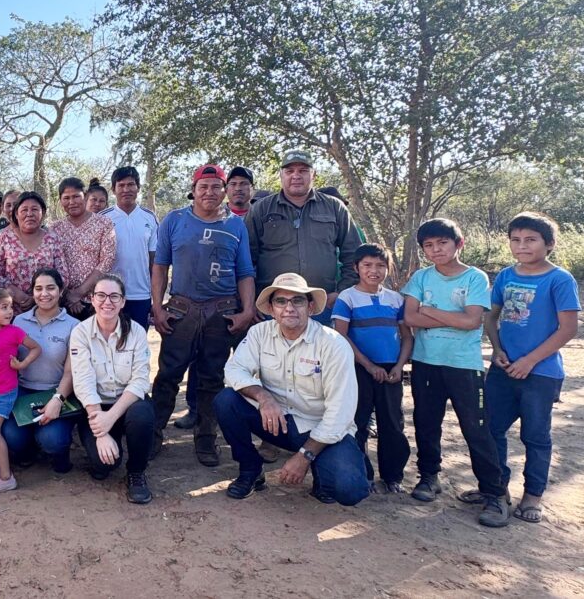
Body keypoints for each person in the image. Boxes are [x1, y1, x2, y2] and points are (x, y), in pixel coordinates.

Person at [214, 273, 369, 505]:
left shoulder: (333, 344)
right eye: (281, 301)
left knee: (349, 489)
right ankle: (251, 469)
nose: (289, 308)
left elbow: (340, 413)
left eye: (297, 301)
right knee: (226, 401)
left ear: (310, 306)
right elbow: (234, 371)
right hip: (278, 422)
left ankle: (322, 470)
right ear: (271, 308)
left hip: (319, 429)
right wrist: (264, 397)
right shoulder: (259, 333)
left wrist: (305, 456)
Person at [402, 218, 510, 527]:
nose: (436, 250)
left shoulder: (475, 278)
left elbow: (471, 322)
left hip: (464, 365)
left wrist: (430, 311)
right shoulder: (420, 277)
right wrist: (450, 317)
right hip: (426, 362)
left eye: (442, 243)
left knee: (477, 429)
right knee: (425, 422)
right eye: (429, 246)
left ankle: (494, 494)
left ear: (458, 244)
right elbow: (410, 316)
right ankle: (428, 477)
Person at [150, 164, 256, 466]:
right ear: (194, 190)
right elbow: (161, 266)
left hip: (221, 312)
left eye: (215, 187)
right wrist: (158, 307)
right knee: (168, 375)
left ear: (224, 191)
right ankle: (154, 433)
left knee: (212, 377)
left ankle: (206, 438)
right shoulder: (174, 220)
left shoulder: (236, 226)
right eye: (203, 187)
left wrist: (247, 310)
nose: (209, 192)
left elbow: (245, 271)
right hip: (182, 309)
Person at [484, 212, 579, 524]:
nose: (522, 245)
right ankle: (497, 492)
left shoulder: (559, 279)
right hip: (503, 369)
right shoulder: (506, 276)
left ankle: (532, 497)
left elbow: (567, 329)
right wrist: (497, 350)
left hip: (540, 373)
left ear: (548, 244)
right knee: (491, 430)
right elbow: (491, 316)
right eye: (516, 240)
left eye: (530, 240)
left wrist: (530, 360)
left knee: (535, 436)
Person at [245, 149, 363, 324]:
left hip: (322, 306)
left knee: (320, 352)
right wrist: (251, 302)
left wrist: (341, 292)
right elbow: (246, 261)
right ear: (281, 175)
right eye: (290, 171)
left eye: (303, 171)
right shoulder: (260, 209)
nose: (296, 176)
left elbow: (353, 255)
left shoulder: (334, 207)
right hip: (273, 308)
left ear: (313, 174)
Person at [332, 243, 413, 493]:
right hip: (358, 368)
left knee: (392, 423)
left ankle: (392, 476)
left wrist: (400, 366)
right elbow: (341, 336)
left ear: (388, 269)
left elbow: (407, 337)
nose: (373, 271)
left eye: (380, 265)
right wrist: (367, 365)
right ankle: (361, 473)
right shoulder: (348, 297)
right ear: (356, 267)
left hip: (391, 371)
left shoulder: (395, 299)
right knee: (358, 422)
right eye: (367, 265)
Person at [71, 275, 155, 504]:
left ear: (123, 301)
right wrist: (101, 429)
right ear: (92, 299)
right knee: (104, 464)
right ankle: (105, 444)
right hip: (95, 406)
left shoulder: (136, 332)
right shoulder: (80, 333)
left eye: (114, 296)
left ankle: (136, 472)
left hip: (126, 403)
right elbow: (83, 381)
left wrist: (110, 419)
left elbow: (140, 381)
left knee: (143, 414)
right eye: (101, 295)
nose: (107, 302)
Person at [4, 268, 80, 473]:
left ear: (61, 290)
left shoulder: (75, 326)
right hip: (23, 391)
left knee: (52, 439)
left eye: (50, 288)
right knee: (11, 436)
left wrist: (57, 400)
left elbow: (70, 373)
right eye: (38, 288)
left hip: (57, 392)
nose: (44, 294)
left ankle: (58, 453)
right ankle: (27, 452)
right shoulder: (19, 321)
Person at [0, 289, 42, 493]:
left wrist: (22, 365)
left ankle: (6, 477)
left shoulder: (15, 332)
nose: (9, 312)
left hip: (5, 390)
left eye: (10, 307)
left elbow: (37, 348)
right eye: (3, 307)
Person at [51, 177, 117, 319]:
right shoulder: (55, 228)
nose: (71, 202)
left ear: (85, 196)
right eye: (66, 198)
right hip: (62, 302)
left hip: (96, 301)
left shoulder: (104, 224)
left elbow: (107, 260)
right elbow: (51, 264)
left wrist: (79, 292)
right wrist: (68, 294)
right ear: (60, 200)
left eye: (76, 196)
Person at [0, 191, 69, 313]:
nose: (29, 214)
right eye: (24, 210)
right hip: (12, 309)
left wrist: (37, 297)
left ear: (42, 213)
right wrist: (15, 294)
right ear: (16, 214)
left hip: (46, 307)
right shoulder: (4, 238)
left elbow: (63, 275)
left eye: (34, 209)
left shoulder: (53, 238)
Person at [101, 166, 157, 329]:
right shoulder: (103, 218)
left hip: (141, 295)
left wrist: (156, 299)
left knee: (137, 346)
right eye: (121, 185)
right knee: (110, 345)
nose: (126, 189)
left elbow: (154, 261)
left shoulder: (149, 217)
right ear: (113, 189)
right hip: (110, 295)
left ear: (138, 188)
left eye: (131, 185)